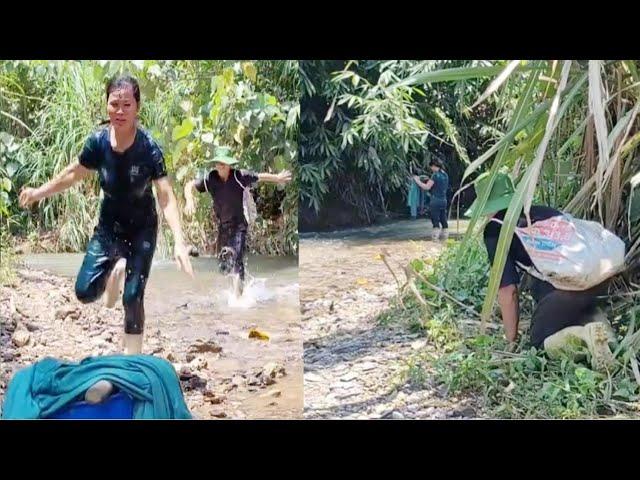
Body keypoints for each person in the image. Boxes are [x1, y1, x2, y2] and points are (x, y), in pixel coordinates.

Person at [19, 75, 194, 357]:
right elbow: (73, 174)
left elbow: (165, 196)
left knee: (133, 296)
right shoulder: (98, 144)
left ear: (138, 107)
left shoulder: (149, 148)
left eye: (127, 104)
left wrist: (178, 241)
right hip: (109, 228)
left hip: (142, 230)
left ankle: (132, 361)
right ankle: (116, 270)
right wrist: (39, 192)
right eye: (115, 104)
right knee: (84, 292)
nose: (120, 111)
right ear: (106, 106)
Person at [466, 172, 616, 370]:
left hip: (566, 289)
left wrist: (511, 341)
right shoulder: (544, 212)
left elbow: (508, 291)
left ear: (486, 205)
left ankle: (582, 337)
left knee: (539, 345)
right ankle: (608, 338)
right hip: (600, 279)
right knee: (582, 308)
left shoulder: (496, 230)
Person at [183, 146, 291, 296]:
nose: (221, 166)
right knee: (224, 266)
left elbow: (260, 176)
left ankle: (238, 299)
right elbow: (189, 185)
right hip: (223, 227)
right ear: (215, 165)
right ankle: (235, 290)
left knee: (237, 259)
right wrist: (189, 200)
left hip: (239, 225)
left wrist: (277, 178)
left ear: (229, 165)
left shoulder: (239, 176)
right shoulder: (211, 179)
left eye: (224, 163)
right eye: (218, 163)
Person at [413, 158, 449, 241]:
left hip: (435, 201)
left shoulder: (435, 175)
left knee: (435, 220)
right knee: (444, 220)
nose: (431, 169)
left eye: (431, 167)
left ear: (434, 166)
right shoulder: (445, 175)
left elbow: (427, 187)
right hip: (444, 201)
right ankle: (445, 239)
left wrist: (417, 181)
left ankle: (435, 239)